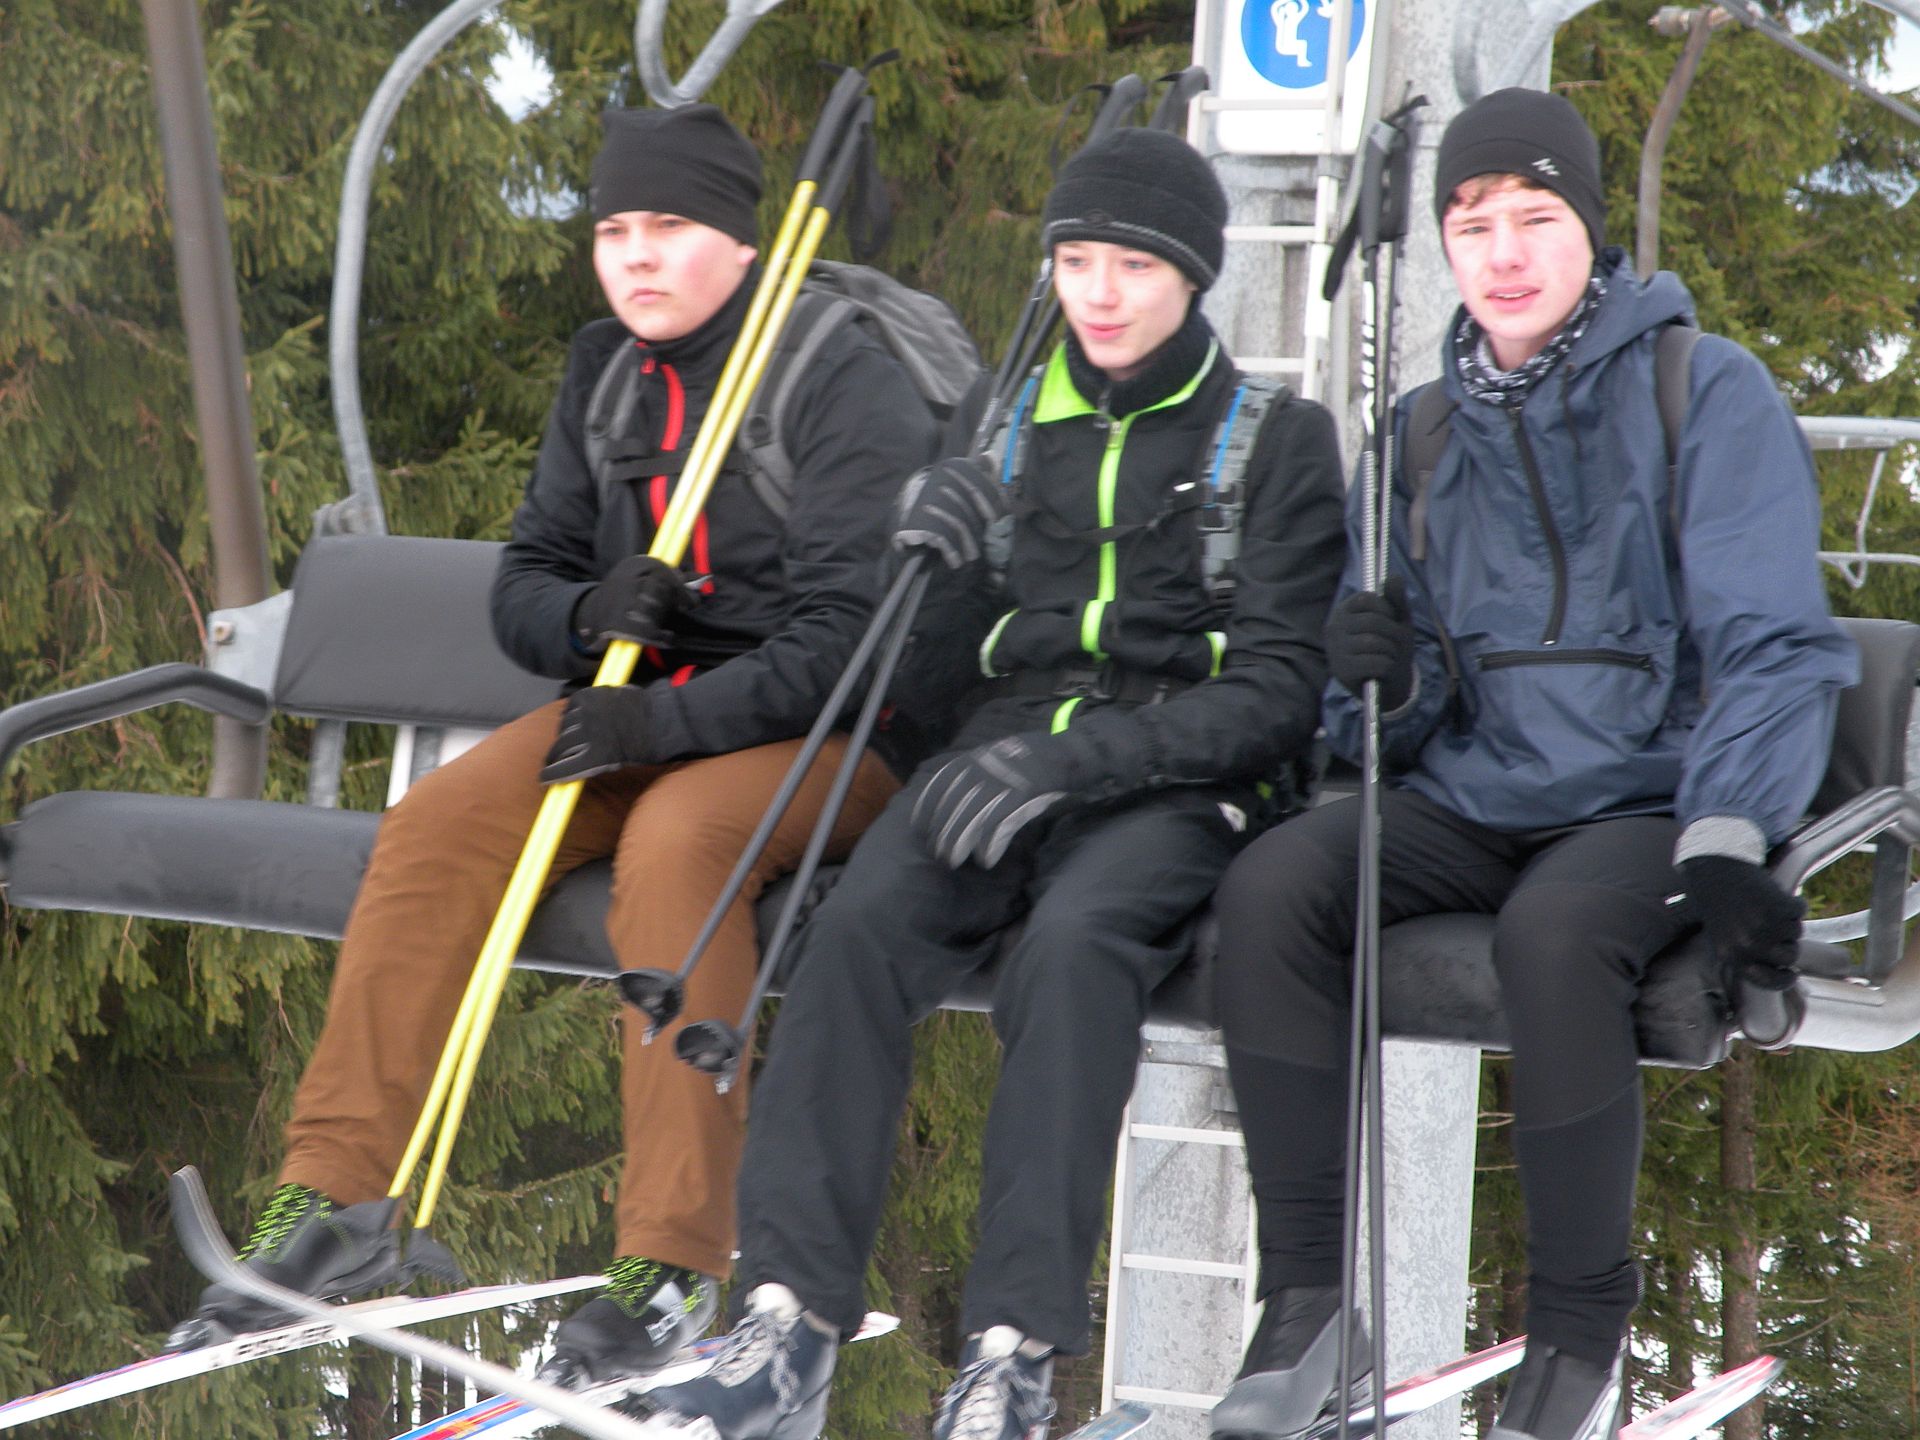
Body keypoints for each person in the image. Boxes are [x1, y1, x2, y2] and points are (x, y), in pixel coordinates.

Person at [164, 104, 936, 1386]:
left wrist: (661, 721)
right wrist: (590, 613)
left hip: (833, 732)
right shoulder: (609, 369)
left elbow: (854, 641)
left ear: (742, 241)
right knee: (439, 824)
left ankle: (673, 1263)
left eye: (670, 226)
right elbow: (524, 585)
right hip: (648, 706)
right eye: (614, 229)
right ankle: (336, 1199)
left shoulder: (837, 374)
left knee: (678, 845)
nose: (637, 255)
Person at [633, 126, 1347, 1440]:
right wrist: (932, 563)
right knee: (852, 936)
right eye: (1077, 262)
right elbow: (925, 678)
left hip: (1171, 775)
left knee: (1072, 954)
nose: (1101, 294)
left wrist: (1079, 759)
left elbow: (1277, 695)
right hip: (999, 756)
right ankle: (787, 1322)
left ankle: (1013, 1352)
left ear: (1193, 275)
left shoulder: (1276, 443)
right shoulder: (1007, 423)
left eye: (1134, 266)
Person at [1205, 88, 1859, 1440]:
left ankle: (1579, 1332)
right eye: (1473, 225)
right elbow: (1390, 711)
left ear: (1590, 231)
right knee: (1274, 888)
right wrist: (1375, 683)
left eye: (1535, 218)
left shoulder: (1699, 390)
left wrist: (1731, 830)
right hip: (1477, 790)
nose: (1503, 254)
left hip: (1651, 792)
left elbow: (1774, 643)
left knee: (1554, 938)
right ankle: (1311, 1298)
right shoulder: (1423, 434)